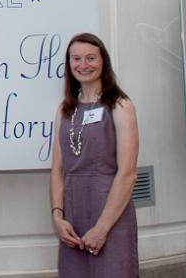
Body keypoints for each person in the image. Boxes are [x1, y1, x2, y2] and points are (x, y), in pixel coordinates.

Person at [50, 32, 139, 277]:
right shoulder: (64, 110)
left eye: (90, 58)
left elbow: (128, 174)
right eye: (76, 59)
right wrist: (58, 216)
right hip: (74, 214)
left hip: (110, 210)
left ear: (103, 62)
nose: (83, 65)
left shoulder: (120, 106)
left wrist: (102, 228)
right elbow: (57, 169)